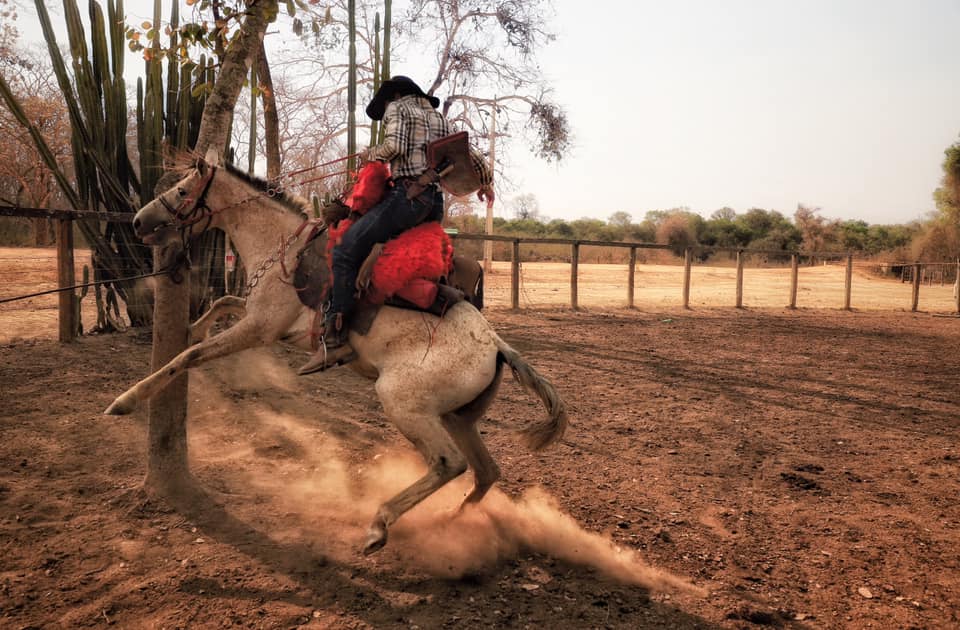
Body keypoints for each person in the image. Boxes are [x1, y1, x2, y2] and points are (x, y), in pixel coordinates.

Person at [300, 75, 494, 374]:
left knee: (344, 252)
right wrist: (487, 184)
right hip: (433, 203)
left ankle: (336, 336)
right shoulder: (439, 118)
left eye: (387, 103)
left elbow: (394, 146)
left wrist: (370, 155)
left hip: (407, 199)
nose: (387, 108)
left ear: (395, 96)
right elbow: (474, 158)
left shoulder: (398, 108)